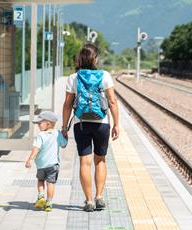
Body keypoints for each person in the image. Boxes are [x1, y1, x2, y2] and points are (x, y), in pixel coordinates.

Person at [62, 44, 119, 212]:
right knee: (100, 159)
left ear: (80, 58)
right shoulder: (105, 76)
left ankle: (88, 201)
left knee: (84, 162)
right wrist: (116, 124)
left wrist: (64, 127)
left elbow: (67, 105)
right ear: (95, 59)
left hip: (81, 123)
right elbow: (113, 102)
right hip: (102, 124)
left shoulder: (74, 77)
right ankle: (99, 196)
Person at [25, 111, 68, 212]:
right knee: (51, 183)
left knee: (40, 180)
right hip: (53, 165)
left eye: (40, 123)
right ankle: (49, 203)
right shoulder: (57, 134)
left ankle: (41, 197)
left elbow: (36, 148)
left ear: (48, 123)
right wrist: (65, 136)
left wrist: (30, 159)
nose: (38, 125)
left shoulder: (40, 135)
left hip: (41, 165)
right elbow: (64, 145)